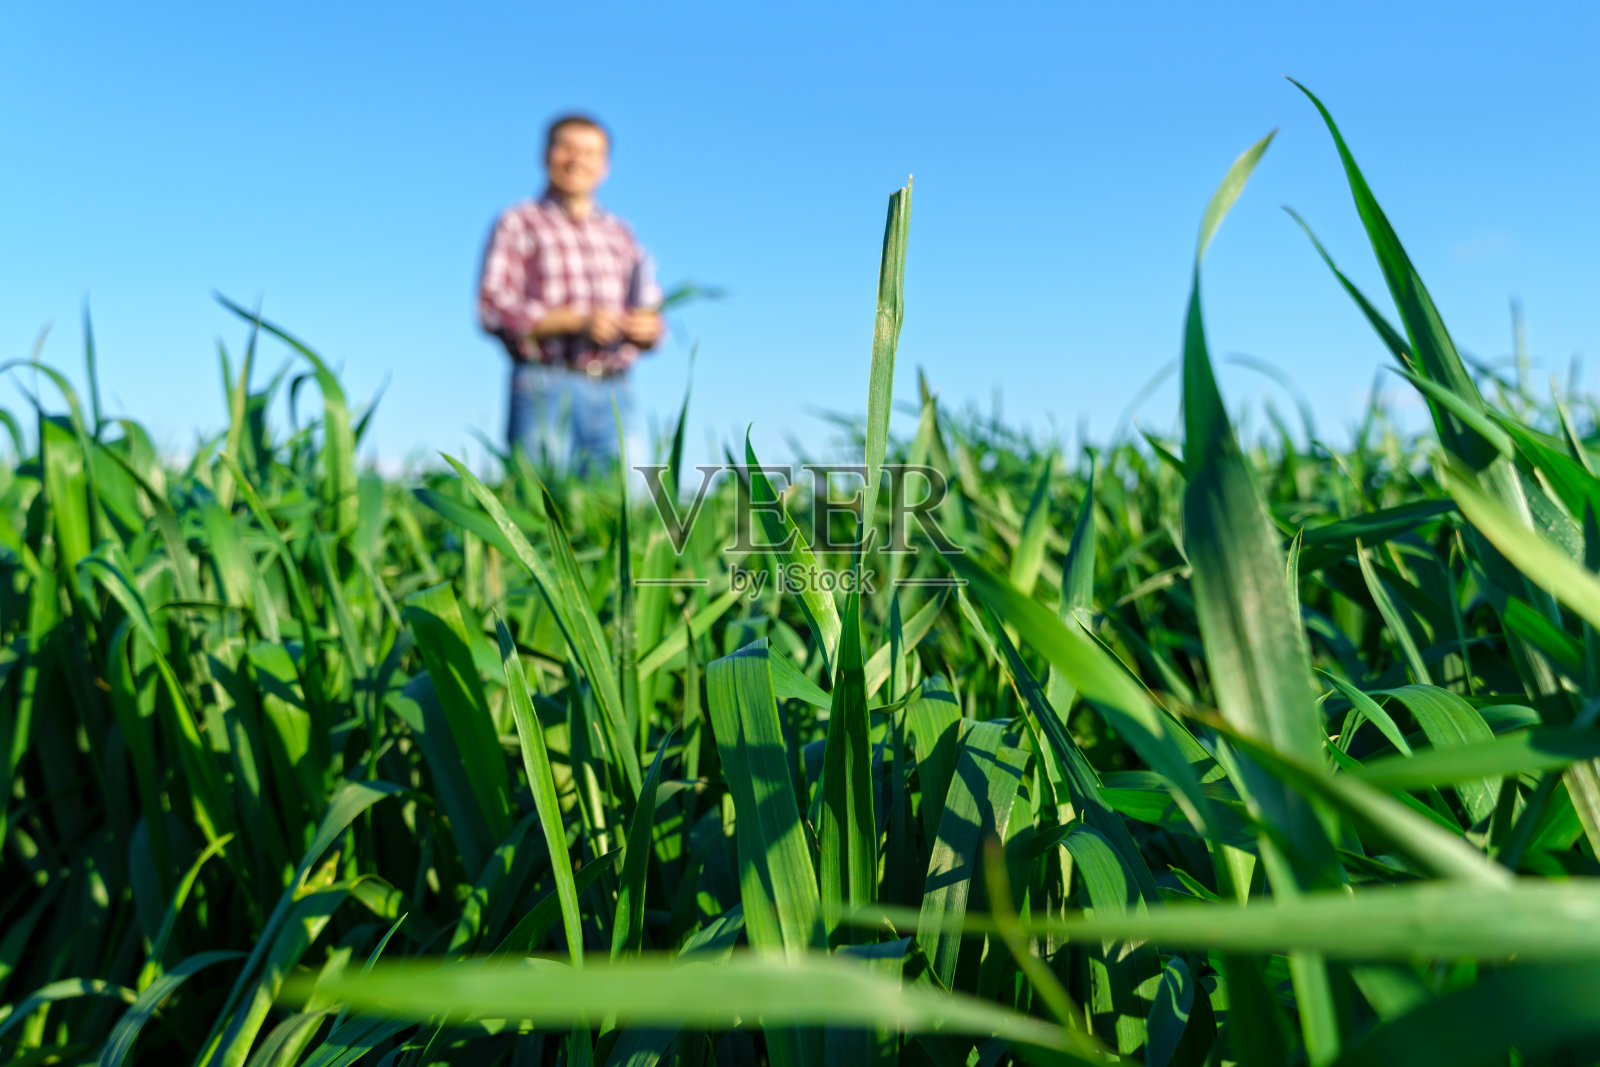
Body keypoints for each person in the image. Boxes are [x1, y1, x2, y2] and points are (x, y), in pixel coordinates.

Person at [476, 114, 664, 472]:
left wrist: (649, 329)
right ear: (545, 155)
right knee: (540, 501)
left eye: (590, 152)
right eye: (566, 148)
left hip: (616, 389)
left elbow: (650, 306)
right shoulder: (518, 222)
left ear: (604, 165)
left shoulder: (621, 234)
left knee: (621, 509)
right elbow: (491, 307)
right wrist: (574, 321)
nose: (577, 159)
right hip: (544, 382)